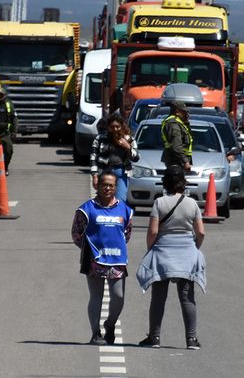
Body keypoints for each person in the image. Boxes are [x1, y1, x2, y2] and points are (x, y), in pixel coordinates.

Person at [137, 165, 205, 351]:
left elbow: (153, 232)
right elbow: (200, 232)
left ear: (165, 183)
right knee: (187, 297)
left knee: (158, 298)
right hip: (186, 253)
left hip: (163, 252)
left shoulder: (159, 203)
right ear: (183, 183)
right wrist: (194, 248)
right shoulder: (192, 204)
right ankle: (191, 339)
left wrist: (152, 249)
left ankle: (155, 337)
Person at [72, 172, 133, 346]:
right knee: (96, 297)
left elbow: (126, 234)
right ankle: (96, 333)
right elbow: (76, 233)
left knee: (118, 297)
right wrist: (89, 250)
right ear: (98, 186)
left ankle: (110, 324)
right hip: (94, 261)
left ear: (116, 188)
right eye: (104, 185)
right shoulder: (86, 209)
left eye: (111, 185)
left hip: (117, 260)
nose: (107, 188)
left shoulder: (125, 209)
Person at [89, 113, 140, 203]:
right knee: (104, 200)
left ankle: (119, 216)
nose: (115, 129)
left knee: (120, 200)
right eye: (112, 127)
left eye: (117, 126)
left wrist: (127, 147)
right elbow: (93, 158)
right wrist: (95, 176)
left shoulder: (129, 140)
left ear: (122, 126)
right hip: (104, 172)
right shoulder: (100, 139)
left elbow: (136, 157)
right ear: (108, 127)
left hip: (121, 173)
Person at [161, 101, 192, 171]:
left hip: (178, 160)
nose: (187, 115)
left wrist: (186, 123)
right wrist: (185, 161)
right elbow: (176, 145)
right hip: (175, 160)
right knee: (176, 180)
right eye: (185, 112)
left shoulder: (179, 122)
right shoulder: (173, 124)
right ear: (177, 112)